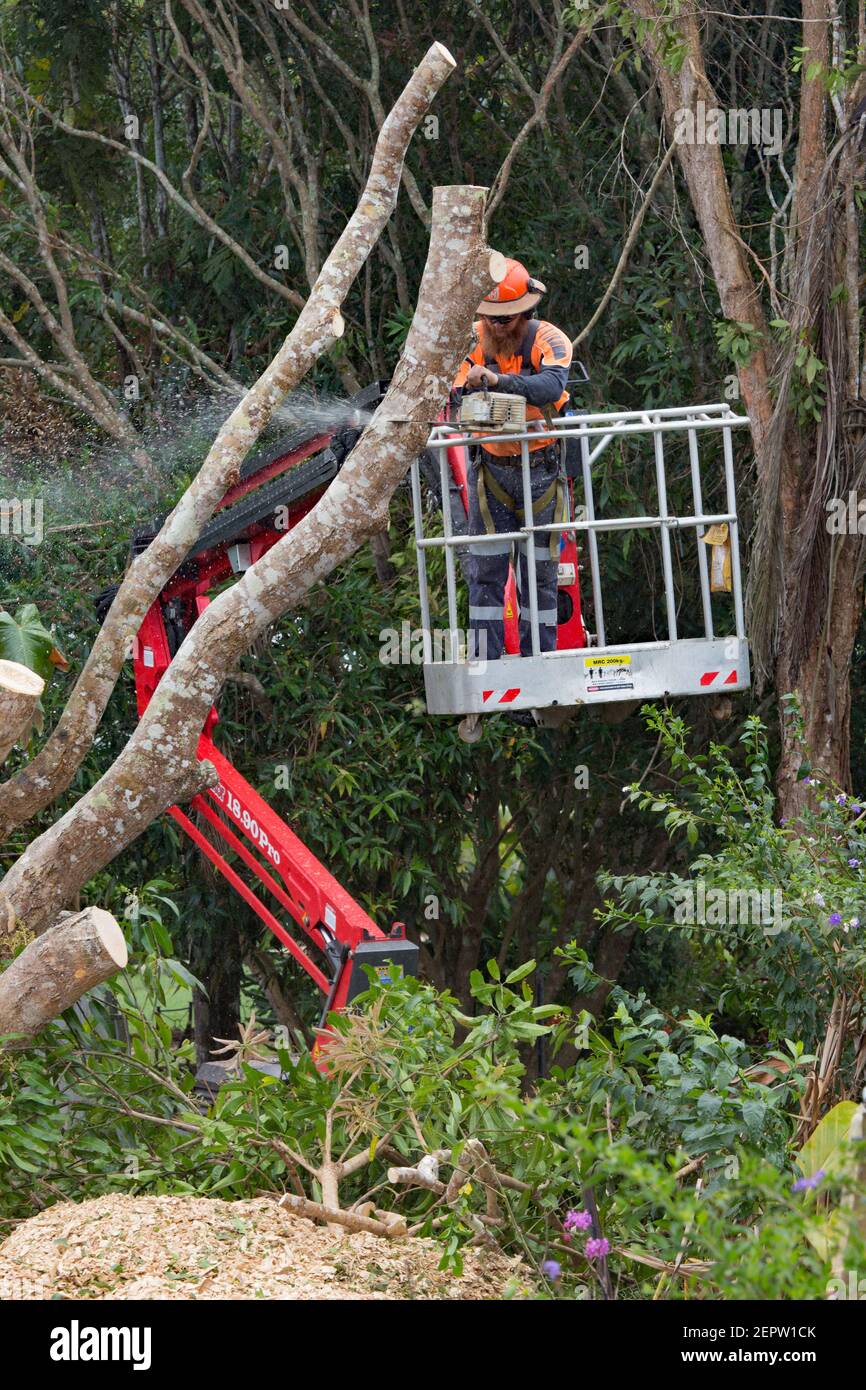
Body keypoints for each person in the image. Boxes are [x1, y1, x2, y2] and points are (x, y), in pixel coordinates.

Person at [451, 257, 573, 662]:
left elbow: (550, 385)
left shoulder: (549, 339)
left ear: (525, 312)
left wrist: (500, 381)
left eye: (504, 320)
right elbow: (454, 398)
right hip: (491, 474)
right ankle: (487, 662)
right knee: (484, 572)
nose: (495, 326)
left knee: (538, 574)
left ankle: (539, 663)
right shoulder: (469, 341)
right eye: (489, 319)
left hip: (540, 470)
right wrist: (469, 389)